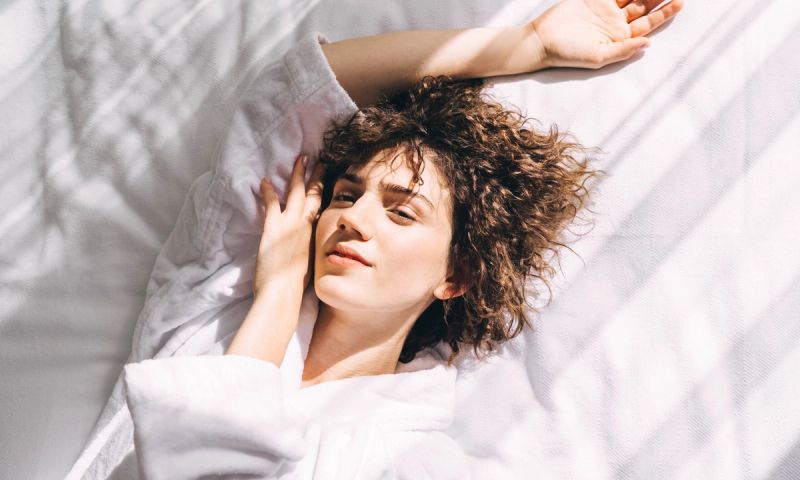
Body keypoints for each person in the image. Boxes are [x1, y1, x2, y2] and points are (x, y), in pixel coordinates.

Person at [121, 1, 685, 478]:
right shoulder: (216, 297)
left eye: (402, 213)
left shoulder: (415, 462)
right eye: (346, 195)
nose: (354, 218)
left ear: (456, 274)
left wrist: (277, 297)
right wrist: (526, 45)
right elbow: (297, 92)